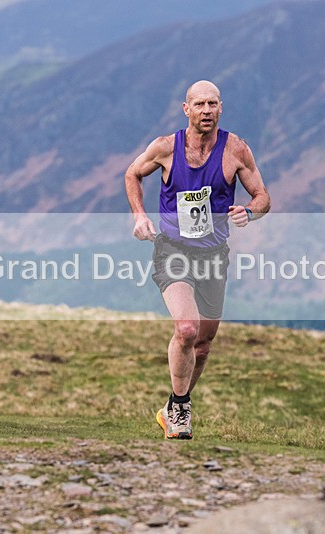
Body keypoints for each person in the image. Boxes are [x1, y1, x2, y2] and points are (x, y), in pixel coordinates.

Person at [124, 80, 271, 439]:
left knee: (203, 345)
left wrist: (249, 212)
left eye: (213, 104)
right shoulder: (165, 148)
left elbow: (263, 196)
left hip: (213, 257)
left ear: (221, 108)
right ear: (186, 109)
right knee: (186, 329)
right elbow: (132, 174)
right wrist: (139, 215)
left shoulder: (236, 150)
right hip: (172, 250)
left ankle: (173, 405)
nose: (206, 111)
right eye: (199, 104)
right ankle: (181, 410)